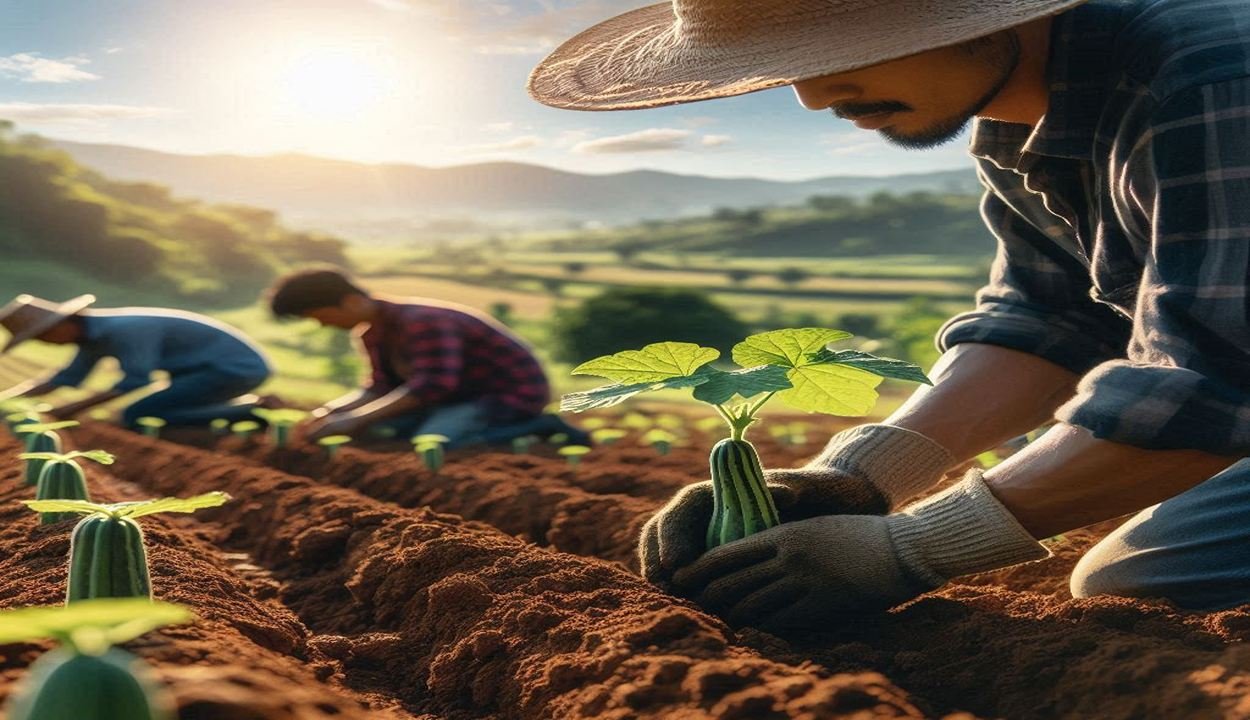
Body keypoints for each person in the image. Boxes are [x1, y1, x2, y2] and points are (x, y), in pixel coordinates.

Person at [531, 0, 1250, 632]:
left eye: (852, 45)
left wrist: (915, 547)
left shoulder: (1213, 78)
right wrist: (855, 478)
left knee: (1151, 578)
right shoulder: (1020, 124)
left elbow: (1215, 381)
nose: (813, 95)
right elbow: (1048, 321)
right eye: (784, 64)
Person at [265, 267, 588, 448]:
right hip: (455, 398)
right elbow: (378, 387)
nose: (321, 324)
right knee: (387, 430)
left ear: (350, 302)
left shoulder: (422, 321)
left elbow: (433, 385)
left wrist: (356, 418)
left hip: (506, 396)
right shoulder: (370, 332)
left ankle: (541, 425)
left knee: (435, 441)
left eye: (320, 315)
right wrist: (329, 412)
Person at [0, 294, 273, 429]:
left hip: (234, 369)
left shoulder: (126, 330)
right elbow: (65, 379)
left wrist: (71, 408)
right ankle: (235, 409)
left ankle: (251, 410)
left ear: (63, 324)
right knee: (152, 407)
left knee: (136, 414)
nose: (45, 343)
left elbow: (136, 380)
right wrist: (5, 402)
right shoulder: (91, 339)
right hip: (198, 372)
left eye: (42, 336)